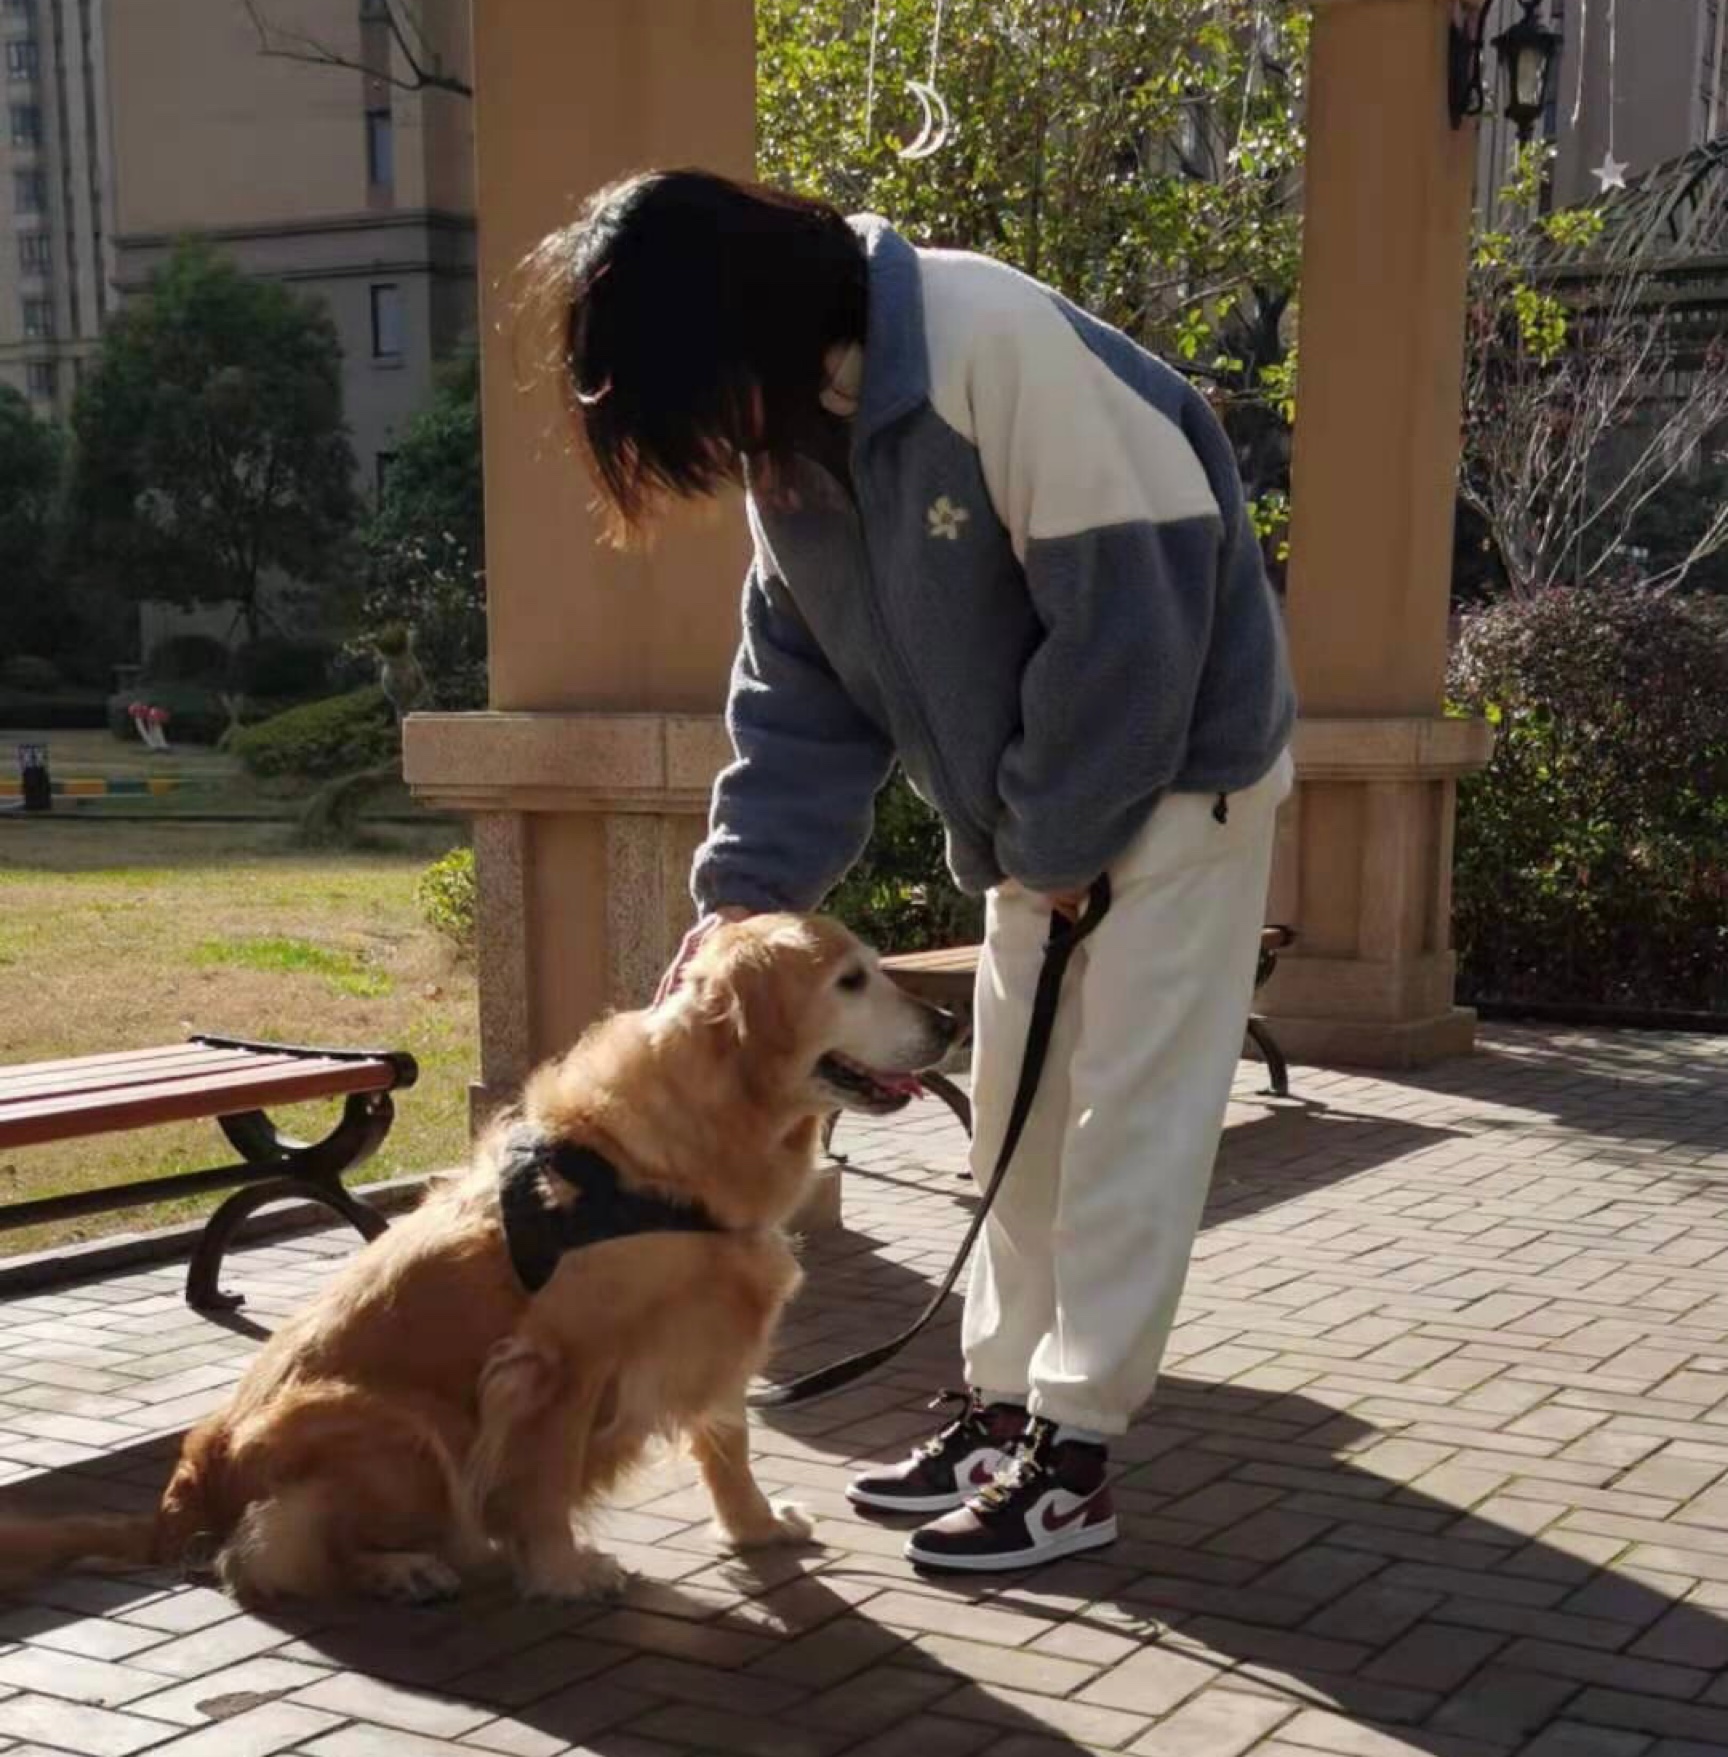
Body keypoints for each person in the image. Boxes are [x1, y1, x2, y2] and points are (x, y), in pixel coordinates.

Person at [538, 168, 1295, 1573]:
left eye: (687, 399)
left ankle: (1072, 1456)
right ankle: (1000, 1406)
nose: (707, 446)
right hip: (1042, 823)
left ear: (737, 327)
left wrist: (1057, 842)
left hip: (1184, 785)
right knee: (1014, 1112)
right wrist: (735, 911)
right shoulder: (793, 459)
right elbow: (798, 702)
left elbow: (1135, 618)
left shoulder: (986, 345)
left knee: (1121, 1131)